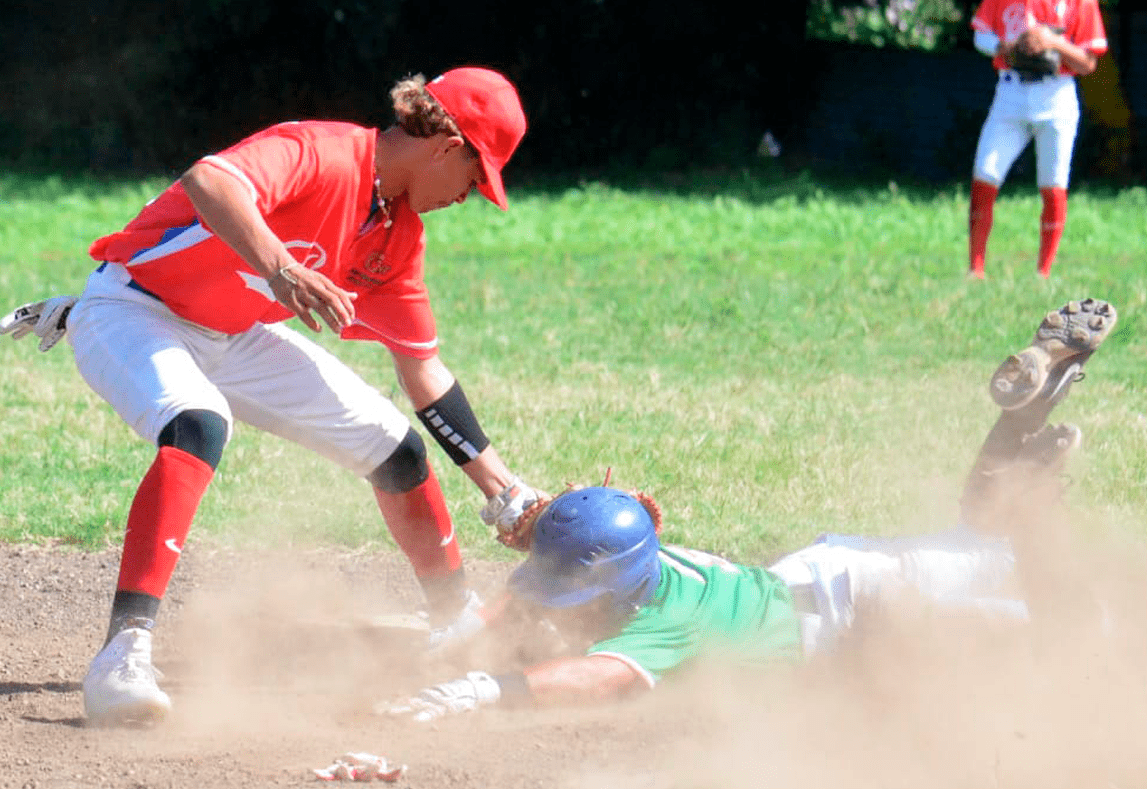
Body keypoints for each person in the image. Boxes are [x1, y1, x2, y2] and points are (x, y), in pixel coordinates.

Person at [0, 67, 546, 726]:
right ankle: (123, 654)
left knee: (393, 446)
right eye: (475, 177)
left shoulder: (396, 238)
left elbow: (423, 370)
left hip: (233, 334)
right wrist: (282, 267)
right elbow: (211, 180)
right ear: (446, 144)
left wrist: (503, 490)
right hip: (133, 309)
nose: (471, 196)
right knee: (199, 422)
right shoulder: (326, 150)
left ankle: (454, 623)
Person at [378, 298, 1117, 722]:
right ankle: (1027, 424)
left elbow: (594, 678)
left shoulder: (665, 624)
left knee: (1071, 624)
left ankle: (1034, 475)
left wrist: (480, 688)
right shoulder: (637, 555)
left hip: (875, 603)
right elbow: (553, 562)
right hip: (839, 581)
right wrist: (468, 635)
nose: (562, 608)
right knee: (986, 533)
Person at [967, 0, 1108, 279]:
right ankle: (976, 269)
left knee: (1053, 183)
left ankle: (1043, 273)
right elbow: (980, 34)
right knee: (985, 172)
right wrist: (1002, 47)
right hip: (1011, 90)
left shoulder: (1080, 2)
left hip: (1056, 94)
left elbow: (1088, 62)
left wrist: (1053, 42)